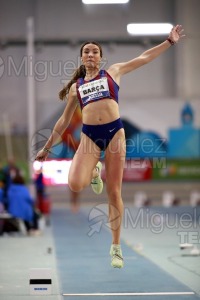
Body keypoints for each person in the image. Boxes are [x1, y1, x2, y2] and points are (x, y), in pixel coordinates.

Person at [35, 25, 185, 268]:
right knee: (74, 183)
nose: (91, 54)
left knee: (114, 192)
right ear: (82, 58)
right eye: (87, 52)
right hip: (90, 136)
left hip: (115, 134)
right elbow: (63, 121)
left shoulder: (113, 72)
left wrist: (169, 42)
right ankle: (94, 170)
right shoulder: (77, 87)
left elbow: (143, 58)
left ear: (100, 58)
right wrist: (47, 147)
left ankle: (115, 246)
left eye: (95, 51)